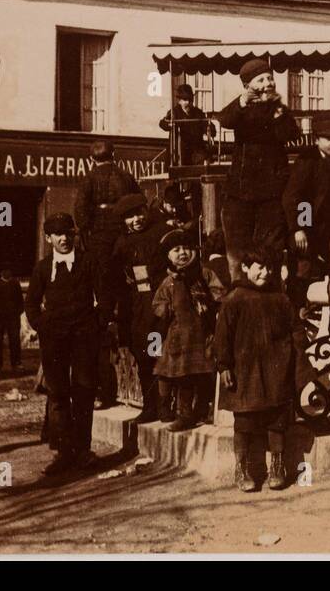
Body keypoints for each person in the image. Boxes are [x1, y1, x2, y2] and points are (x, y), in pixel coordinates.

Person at [26, 213, 107, 475]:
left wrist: (97, 325)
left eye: (68, 233)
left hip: (84, 337)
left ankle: (83, 451)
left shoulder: (88, 262)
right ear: (48, 238)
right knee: (58, 394)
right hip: (54, 340)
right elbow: (31, 303)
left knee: (83, 392)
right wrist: (41, 325)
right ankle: (63, 453)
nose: (64, 239)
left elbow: (104, 297)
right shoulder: (42, 268)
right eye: (58, 234)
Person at [215, 249, 297, 493]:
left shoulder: (280, 298)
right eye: (258, 267)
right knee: (244, 420)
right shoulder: (234, 299)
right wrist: (223, 365)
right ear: (245, 269)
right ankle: (242, 468)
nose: (265, 272)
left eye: (268, 267)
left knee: (276, 418)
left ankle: (278, 466)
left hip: (276, 367)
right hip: (245, 369)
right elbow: (222, 337)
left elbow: (294, 330)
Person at [216, 59, 300, 277]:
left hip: (270, 193)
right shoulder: (241, 108)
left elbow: (292, 134)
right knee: (237, 251)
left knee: (270, 249)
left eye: (270, 78)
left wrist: (279, 114)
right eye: (261, 79)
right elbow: (225, 119)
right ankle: (239, 291)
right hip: (240, 193)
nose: (268, 83)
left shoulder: (278, 109)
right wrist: (243, 101)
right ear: (247, 86)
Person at [74, 139, 140, 409]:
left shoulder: (88, 179)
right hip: (123, 234)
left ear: (92, 159)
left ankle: (105, 326)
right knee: (126, 287)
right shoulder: (126, 177)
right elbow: (139, 201)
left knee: (102, 294)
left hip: (100, 239)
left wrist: (88, 234)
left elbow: (80, 212)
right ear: (115, 155)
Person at [108, 194, 172, 423]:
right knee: (143, 355)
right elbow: (116, 277)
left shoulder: (162, 233)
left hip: (160, 302)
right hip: (137, 306)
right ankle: (150, 406)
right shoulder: (122, 243)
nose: (136, 220)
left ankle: (164, 406)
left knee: (158, 354)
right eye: (130, 217)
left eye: (139, 213)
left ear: (147, 211)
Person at [153, 229, 225, 432]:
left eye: (186, 248)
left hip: (202, 334)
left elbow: (219, 292)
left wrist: (213, 302)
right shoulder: (169, 281)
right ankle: (183, 414)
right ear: (168, 255)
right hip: (179, 337)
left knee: (203, 374)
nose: (183, 253)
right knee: (183, 377)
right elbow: (158, 304)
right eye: (176, 250)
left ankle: (202, 409)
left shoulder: (204, 273)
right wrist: (166, 309)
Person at [281, 112, 330, 311]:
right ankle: (295, 311)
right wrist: (300, 228)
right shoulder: (306, 161)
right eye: (329, 139)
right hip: (306, 225)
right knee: (302, 271)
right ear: (317, 139)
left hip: (325, 228)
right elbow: (294, 196)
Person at [159, 83, 214, 167]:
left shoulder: (198, 113)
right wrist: (169, 125)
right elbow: (162, 123)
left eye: (190, 100)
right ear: (179, 101)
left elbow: (208, 126)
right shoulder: (174, 112)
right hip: (179, 154)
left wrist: (209, 129)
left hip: (196, 154)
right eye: (185, 100)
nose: (188, 102)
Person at [0, 267, 25, 371]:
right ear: (1, 273)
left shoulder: (15, 285)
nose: (7, 273)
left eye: (9, 270)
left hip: (13, 318)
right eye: (5, 271)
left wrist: (18, 312)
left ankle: (16, 363)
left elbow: (20, 301)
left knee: (15, 340)